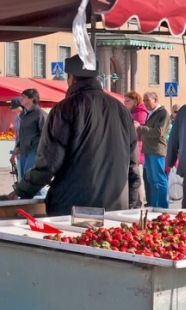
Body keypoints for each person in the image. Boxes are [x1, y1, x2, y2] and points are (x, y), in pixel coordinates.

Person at [9, 55, 140, 215]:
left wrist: (22, 191)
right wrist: (131, 203)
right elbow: (133, 165)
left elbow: (49, 164)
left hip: (73, 206)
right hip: (116, 206)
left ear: (71, 78)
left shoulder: (64, 108)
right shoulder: (121, 110)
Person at [135, 92, 170, 209]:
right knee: (152, 180)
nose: (145, 103)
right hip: (149, 150)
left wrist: (139, 128)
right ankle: (155, 205)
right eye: (144, 100)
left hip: (157, 150)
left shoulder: (163, 113)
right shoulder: (151, 113)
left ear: (156, 100)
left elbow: (159, 132)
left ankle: (162, 206)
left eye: (148, 100)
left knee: (159, 179)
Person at [13, 89, 48, 180]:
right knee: (23, 177)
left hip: (35, 150)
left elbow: (46, 134)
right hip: (24, 150)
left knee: (29, 175)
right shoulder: (24, 115)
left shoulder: (40, 114)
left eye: (24, 97)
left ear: (31, 99)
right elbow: (23, 133)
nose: (21, 99)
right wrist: (18, 147)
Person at [124, 91, 148, 206]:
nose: (125, 103)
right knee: (136, 176)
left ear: (135, 101)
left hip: (138, 149)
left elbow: (139, 131)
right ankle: (138, 202)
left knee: (137, 177)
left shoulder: (140, 113)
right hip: (134, 148)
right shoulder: (133, 112)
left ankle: (140, 202)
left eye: (127, 101)